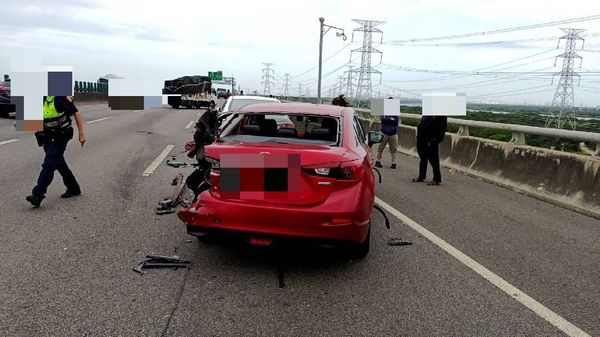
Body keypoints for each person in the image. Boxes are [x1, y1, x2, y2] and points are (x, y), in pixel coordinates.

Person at [26, 96, 86, 207]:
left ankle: (38, 195)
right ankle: (73, 188)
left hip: (61, 136)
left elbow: (76, 114)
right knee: (58, 163)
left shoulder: (61, 98)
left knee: (49, 163)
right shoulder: (41, 98)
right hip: (47, 136)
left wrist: (81, 134)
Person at [412, 115, 447, 186]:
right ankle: (421, 176)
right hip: (422, 138)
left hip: (432, 140)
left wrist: (436, 139)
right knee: (423, 158)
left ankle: (437, 179)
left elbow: (442, 127)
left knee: (434, 160)